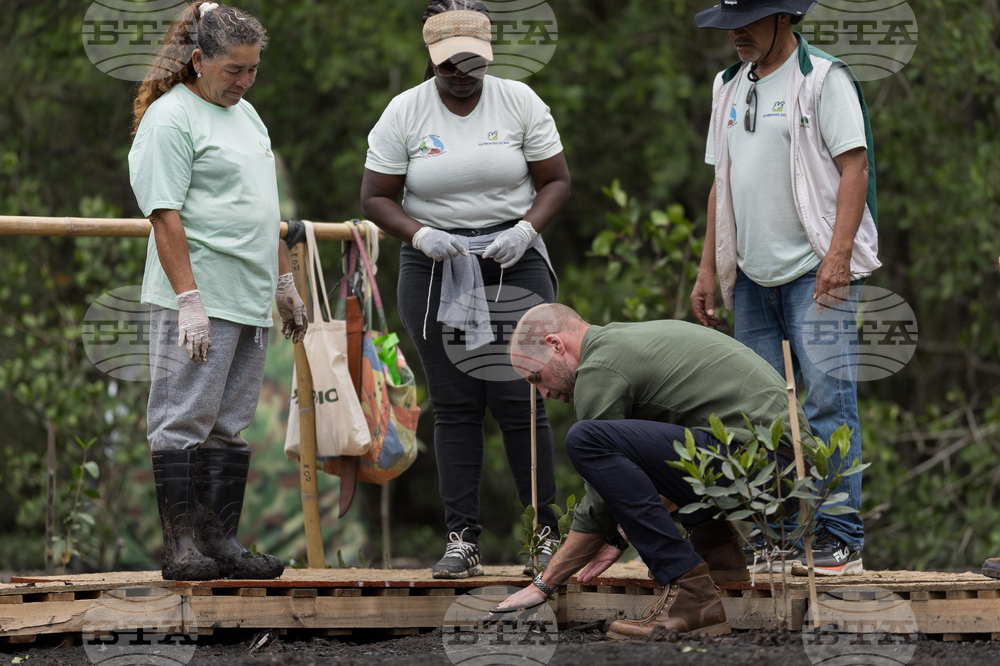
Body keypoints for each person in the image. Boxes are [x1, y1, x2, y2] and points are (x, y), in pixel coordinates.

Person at [360, 0, 571, 578]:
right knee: (455, 405)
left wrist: (527, 228)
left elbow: (555, 180)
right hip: (436, 262)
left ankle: (543, 536)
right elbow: (375, 197)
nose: (459, 76)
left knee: (521, 400)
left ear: (488, 58)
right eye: (447, 66)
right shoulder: (405, 111)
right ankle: (462, 540)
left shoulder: (519, 101)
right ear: (430, 61)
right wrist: (419, 232)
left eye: (470, 65)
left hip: (513, 259)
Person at [689, 0, 880, 575]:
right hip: (749, 275)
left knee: (827, 401)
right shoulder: (728, 84)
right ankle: (775, 537)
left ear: (784, 18)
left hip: (813, 269)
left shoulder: (823, 78)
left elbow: (856, 167)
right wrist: (707, 267)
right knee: (756, 411)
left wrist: (839, 257)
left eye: (747, 22)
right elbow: (719, 183)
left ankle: (840, 537)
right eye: (729, 24)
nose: (735, 35)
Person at [493, 303, 811, 638]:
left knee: (585, 439)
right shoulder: (623, 342)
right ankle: (718, 554)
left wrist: (545, 584)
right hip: (788, 469)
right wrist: (622, 530)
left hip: (767, 465)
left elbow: (600, 497)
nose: (542, 393)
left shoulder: (600, 367)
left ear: (556, 345)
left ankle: (692, 595)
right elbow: (651, 461)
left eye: (536, 377)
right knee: (655, 443)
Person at [129, 1, 307, 581]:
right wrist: (188, 301)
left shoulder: (249, 116)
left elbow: (267, 211)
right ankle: (180, 549)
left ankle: (220, 541)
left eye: (253, 69)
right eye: (234, 70)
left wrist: (284, 283)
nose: (245, 81)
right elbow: (164, 215)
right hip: (200, 296)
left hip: (249, 296)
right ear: (199, 59)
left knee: (230, 423)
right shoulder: (170, 117)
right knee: (182, 418)